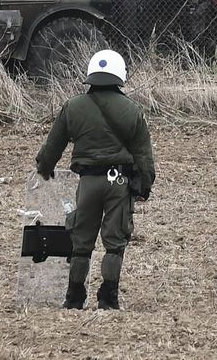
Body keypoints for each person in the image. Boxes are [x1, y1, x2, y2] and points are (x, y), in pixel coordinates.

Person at [35, 50, 156, 311]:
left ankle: (74, 298)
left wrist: (45, 168)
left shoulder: (73, 106)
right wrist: (145, 185)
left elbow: (52, 148)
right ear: (120, 75)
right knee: (114, 244)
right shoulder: (132, 110)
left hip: (87, 183)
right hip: (119, 184)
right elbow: (144, 156)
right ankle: (108, 299)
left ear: (91, 75)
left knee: (81, 243)